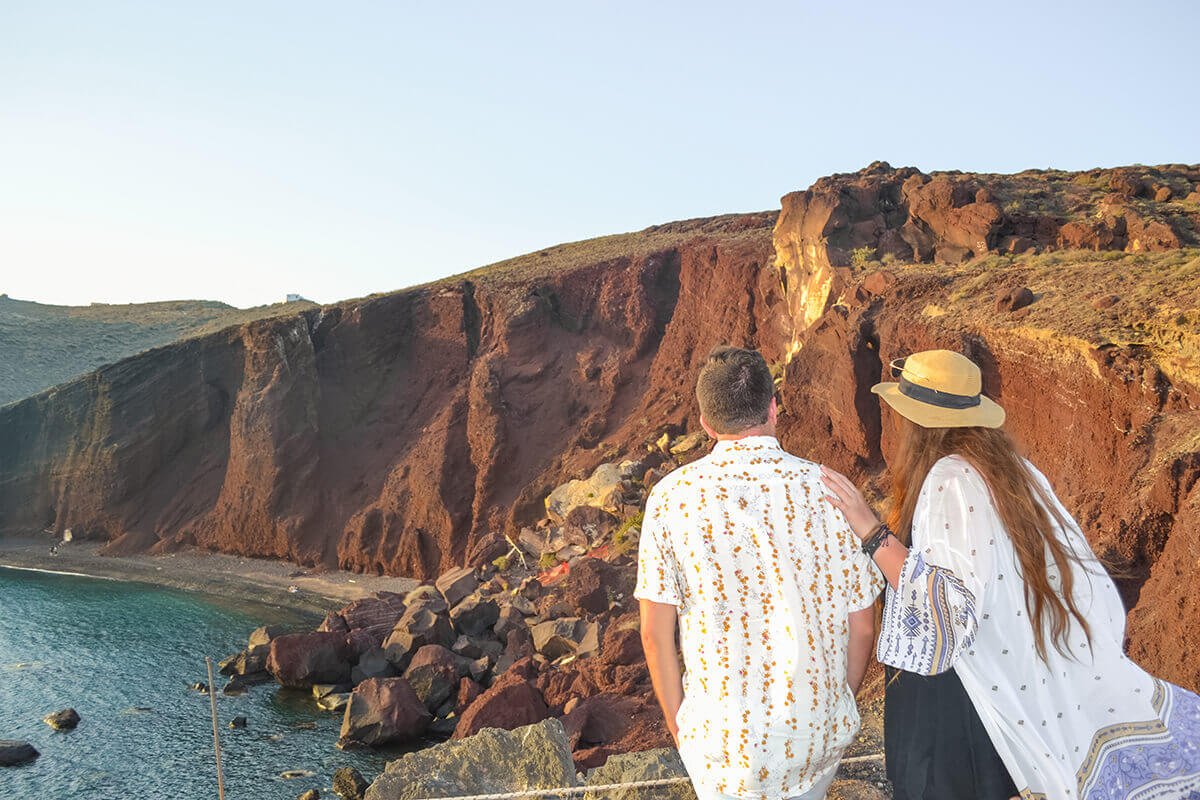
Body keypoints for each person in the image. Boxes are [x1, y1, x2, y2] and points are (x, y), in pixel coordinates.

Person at [821, 349, 1200, 800]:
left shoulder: (949, 479)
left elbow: (949, 605)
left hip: (953, 702)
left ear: (918, 423)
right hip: (989, 697)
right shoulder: (1013, 470)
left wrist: (871, 532)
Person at [635, 345, 884, 800]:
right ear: (773, 408)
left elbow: (655, 632)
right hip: (816, 739)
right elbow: (863, 623)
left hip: (722, 750)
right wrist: (835, 703)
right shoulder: (831, 491)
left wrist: (680, 727)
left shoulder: (670, 499)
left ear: (707, 423)